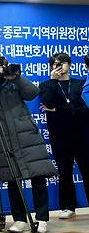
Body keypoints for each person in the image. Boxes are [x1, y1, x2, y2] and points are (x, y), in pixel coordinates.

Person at [0, 54, 56, 233]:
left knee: (38, 176)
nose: (2, 69)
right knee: (13, 180)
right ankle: (20, 219)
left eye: (4, 66)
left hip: (27, 138)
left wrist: (16, 77)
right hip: (2, 139)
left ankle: (42, 218)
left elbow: (32, 93)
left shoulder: (14, 83)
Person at [39, 52, 89, 219]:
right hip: (59, 135)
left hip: (82, 134)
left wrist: (58, 110)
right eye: (54, 64)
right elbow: (48, 103)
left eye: (61, 63)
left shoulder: (80, 84)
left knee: (87, 169)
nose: (58, 66)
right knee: (64, 171)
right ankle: (68, 206)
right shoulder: (46, 85)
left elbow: (83, 110)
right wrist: (53, 80)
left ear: (70, 65)